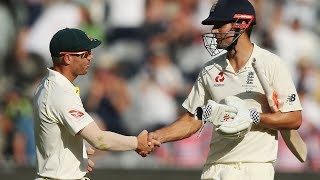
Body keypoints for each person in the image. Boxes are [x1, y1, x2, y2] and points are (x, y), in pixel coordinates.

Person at [145, 0, 303, 179]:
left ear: (242, 25)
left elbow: (294, 118)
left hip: (254, 168)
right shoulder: (210, 70)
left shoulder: (272, 64)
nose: (214, 30)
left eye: (220, 24)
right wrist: (159, 136)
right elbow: (193, 119)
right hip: (215, 167)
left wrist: (253, 117)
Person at [32, 28, 159, 180]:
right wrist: (137, 143)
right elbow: (99, 140)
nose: (91, 57)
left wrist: (76, 156)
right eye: (84, 54)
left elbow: (54, 138)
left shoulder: (47, 85)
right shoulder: (61, 93)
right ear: (67, 58)